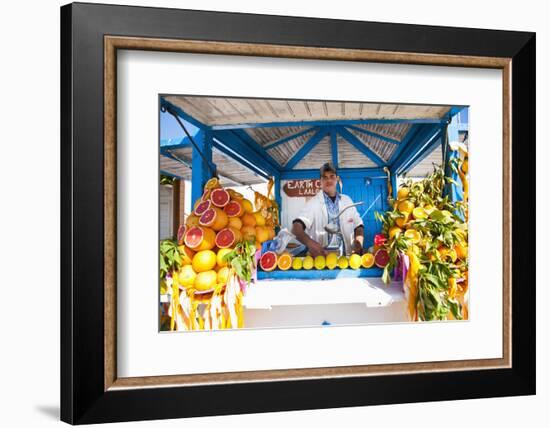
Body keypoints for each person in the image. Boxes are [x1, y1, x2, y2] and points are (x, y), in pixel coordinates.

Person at [291, 163, 364, 257]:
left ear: (337, 179)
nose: (328, 180)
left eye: (332, 176)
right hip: (321, 261)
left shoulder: (347, 200)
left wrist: (359, 242)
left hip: (347, 259)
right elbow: (296, 228)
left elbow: (358, 225)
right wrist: (310, 243)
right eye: (324, 177)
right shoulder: (313, 203)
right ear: (320, 181)